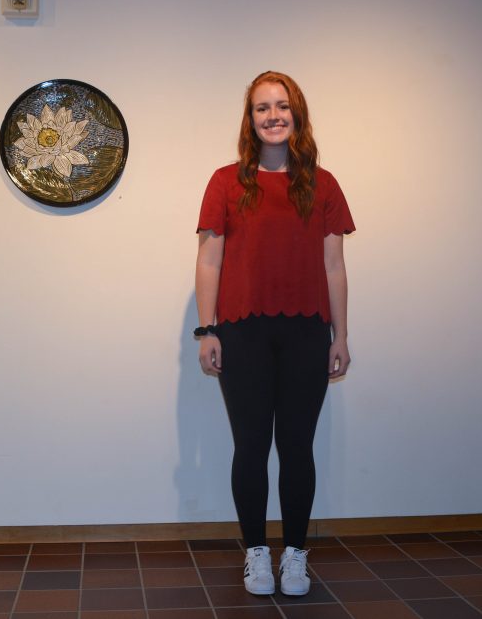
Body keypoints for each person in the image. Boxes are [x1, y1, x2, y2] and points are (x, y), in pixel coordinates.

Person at [194, 71, 355, 597]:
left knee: (297, 447)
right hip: (241, 333)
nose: (272, 116)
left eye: (281, 106)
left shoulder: (323, 183)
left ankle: (296, 556)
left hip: (308, 331)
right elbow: (209, 260)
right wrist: (207, 329)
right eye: (261, 108)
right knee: (250, 446)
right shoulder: (224, 181)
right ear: (250, 119)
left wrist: (341, 335)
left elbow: (334, 266)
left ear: (297, 114)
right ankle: (257, 554)